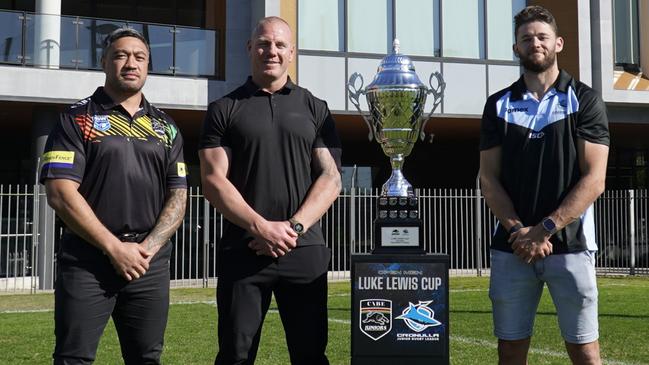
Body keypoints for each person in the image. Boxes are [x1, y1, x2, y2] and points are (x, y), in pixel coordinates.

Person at [198, 16, 342, 365]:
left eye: (280, 45)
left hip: (303, 249)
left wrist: (290, 230)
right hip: (244, 249)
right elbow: (213, 181)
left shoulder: (315, 108)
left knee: (310, 355)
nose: (271, 51)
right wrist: (261, 227)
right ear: (250, 48)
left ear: (291, 52)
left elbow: (331, 178)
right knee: (235, 355)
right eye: (263, 43)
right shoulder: (224, 108)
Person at [40, 28, 187, 364]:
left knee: (146, 358)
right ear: (104, 61)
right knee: (73, 358)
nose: (130, 63)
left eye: (139, 57)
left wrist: (144, 251)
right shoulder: (77, 119)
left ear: (149, 66)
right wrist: (113, 248)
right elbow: (60, 193)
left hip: (148, 264)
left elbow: (178, 196)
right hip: (87, 262)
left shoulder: (166, 127)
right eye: (121, 55)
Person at [479, 6, 609, 365]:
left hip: (571, 246)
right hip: (512, 248)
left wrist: (545, 229)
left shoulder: (585, 100)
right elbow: (488, 179)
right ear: (516, 49)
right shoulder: (498, 105)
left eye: (541, 37)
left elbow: (595, 179)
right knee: (510, 352)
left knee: (584, 352)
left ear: (558, 43)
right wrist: (520, 231)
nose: (534, 43)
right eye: (526, 38)